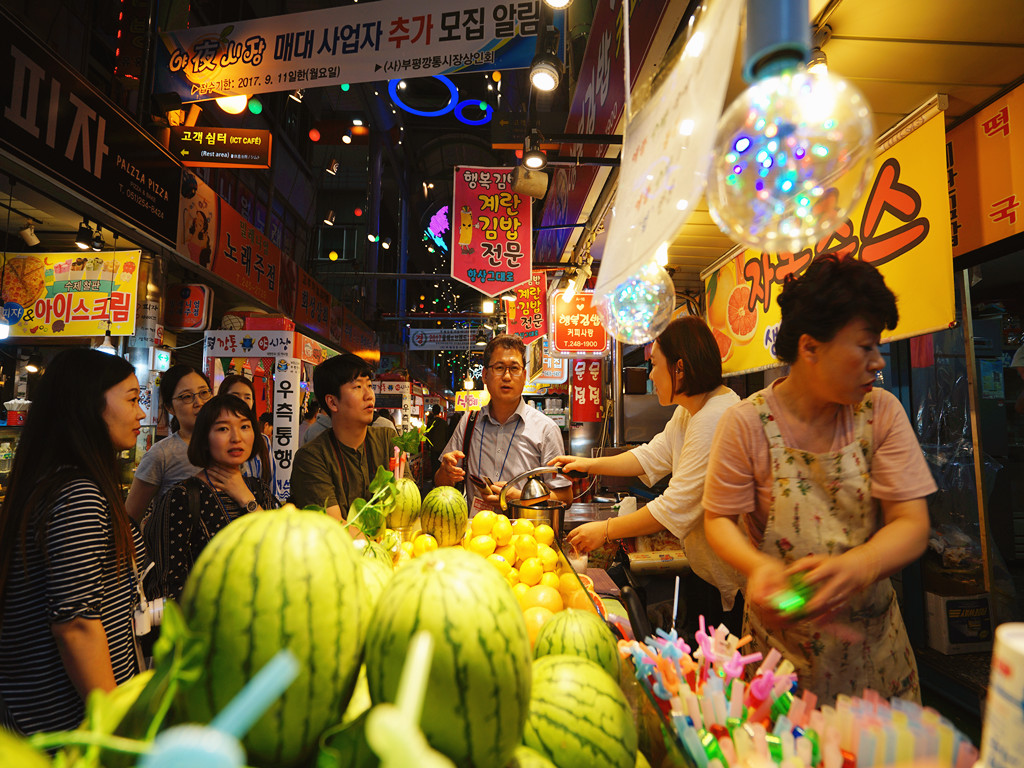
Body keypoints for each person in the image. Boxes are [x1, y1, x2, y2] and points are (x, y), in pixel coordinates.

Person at [702, 256, 935, 706]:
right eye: (865, 346)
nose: (877, 362)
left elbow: (912, 523)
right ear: (810, 348)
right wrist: (760, 568)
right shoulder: (746, 423)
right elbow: (719, 520)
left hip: (874, 655)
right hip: (779, 657)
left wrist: (858, 566)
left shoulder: (881, 413)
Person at [550, 316, 744, 627]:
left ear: (679, 369)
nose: (651, 374)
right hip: (704, 568)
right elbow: (650, 456)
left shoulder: (715, 418)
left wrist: (606, 530)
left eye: (654, 364)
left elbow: (674, 506)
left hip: (729, 580)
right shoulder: (689, 411)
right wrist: (590, 464)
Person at [0, 349, 145, 734]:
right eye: (132, 399)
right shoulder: (78, 494)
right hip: (68, 726)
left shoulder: (55, 483)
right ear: (89, 406)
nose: (141, 414)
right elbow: (76, 624)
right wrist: (115, 723)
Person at [150, 395, 278, 600]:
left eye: (245, 426)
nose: (237, 437)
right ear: (204, 438)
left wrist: (247, 499)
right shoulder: (182, 497)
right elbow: (167, 587)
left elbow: (283, 551)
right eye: (223, 429)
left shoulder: (257, 489)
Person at [435, 334, 570, 515]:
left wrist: (520, 498)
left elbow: (565, 497)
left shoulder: (545, 429)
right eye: (499, 368)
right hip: (477, 536)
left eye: (514, 368)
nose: (507, 376)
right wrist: (446, 471)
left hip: (524, 537)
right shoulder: (469, 422)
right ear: (485, 375)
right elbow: (442, 483)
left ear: (524, 376)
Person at [290, 354, 392, 522]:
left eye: (369, 385)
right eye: (358, 387)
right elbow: (335, 527)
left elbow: (405, 503)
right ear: (332, 402)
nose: (369, 395)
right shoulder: (311, 457)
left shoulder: (387, 440)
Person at [125, 364, 213, 524]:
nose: (198, 402)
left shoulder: (227, 446)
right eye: (187, 396)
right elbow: (130, 519)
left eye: (204, 393)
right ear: (169, 407)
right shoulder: (161, 454)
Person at [217, 374, 274, 490]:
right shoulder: (216, 439)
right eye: (235, 396)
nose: (241, 401)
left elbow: (271, 484)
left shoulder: (263, 441)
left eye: (247, 397)